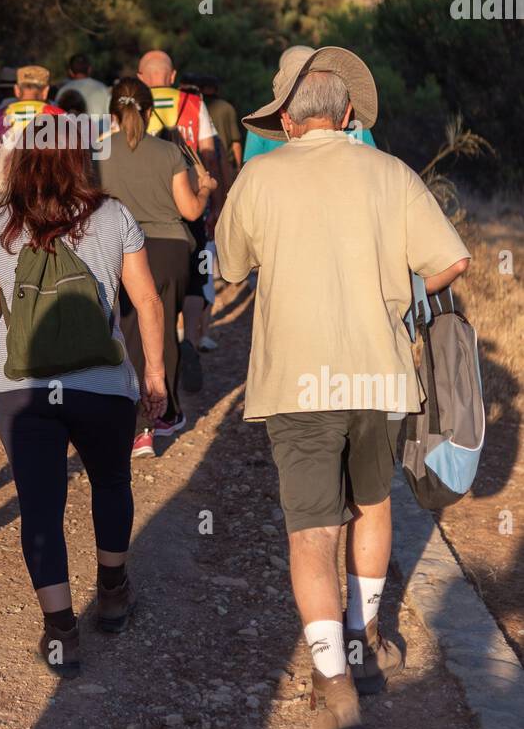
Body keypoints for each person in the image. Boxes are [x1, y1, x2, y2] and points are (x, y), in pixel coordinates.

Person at [214, 46, 470, 729]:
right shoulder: (390, 174)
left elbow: (228, 266)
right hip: (376, 374)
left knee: (309, 530)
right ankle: (366, 638)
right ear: (348, 112)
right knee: (372, 505)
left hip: (298, 378)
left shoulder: (260, 178)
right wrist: (398, 296)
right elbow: (451, 260)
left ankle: (332, 684)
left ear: (287, 122)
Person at [0, 135, 167, 677]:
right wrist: (153, 374)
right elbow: (146, 300)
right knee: (110, 483)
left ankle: (60, 631)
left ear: (20, 167)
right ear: (80, 163)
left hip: (23, 393)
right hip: (101, 384)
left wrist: (7, 363)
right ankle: (112, 593)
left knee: (40, 503)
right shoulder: (113, 215)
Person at [97, 78, 215, 456]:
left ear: (113, 114)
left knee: (129, 328)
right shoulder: (169, 152)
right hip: (171, 250)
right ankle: (165, 413)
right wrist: (207, 188)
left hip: (119, 246)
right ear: (148, 112)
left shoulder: (96, 152)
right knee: (163, 327)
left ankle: (139, 424)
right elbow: (191, 211)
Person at [138, 50, 224, 391]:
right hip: (190, 200)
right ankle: (189, 339)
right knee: (193, 275)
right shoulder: (192, 102)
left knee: (148, 279)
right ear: (171, 75)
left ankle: (155, 345)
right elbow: (208, 154)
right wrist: (214, 200)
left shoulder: (133, 105)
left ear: (142, 77)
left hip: (147, 207)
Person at [243, 47, 378, 164]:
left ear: (285, 118)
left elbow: (248, 164)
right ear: (347, 112)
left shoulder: (256, 172)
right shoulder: (393, 168)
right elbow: (372, 159)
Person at [0, 64, 63, 231]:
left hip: (6, 207)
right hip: (50, 207)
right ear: (46, 91)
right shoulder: (60, 117)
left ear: (17, 90)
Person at [55, 52, 111, 119]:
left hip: (71, 128)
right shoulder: (103, 89)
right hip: (100, 128)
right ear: (89, 69)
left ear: (70, 72)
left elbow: (57, 116)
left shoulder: (63, 91)